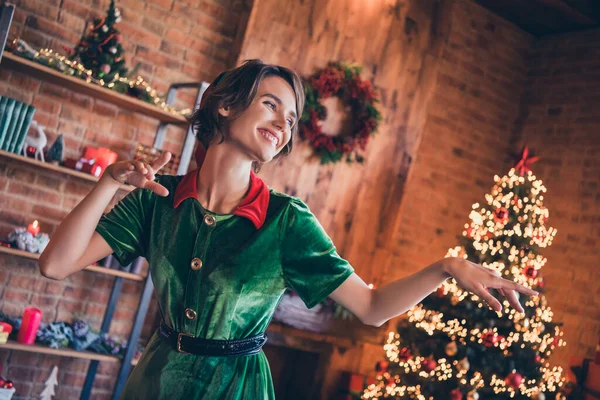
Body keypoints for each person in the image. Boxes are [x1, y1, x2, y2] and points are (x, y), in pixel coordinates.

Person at [39, 60, 538, 399]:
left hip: (237, 388)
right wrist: (108, 184)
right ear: (226, 106)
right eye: (271, 105)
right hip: (156, 381)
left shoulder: (287, 221)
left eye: (292, 118)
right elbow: (55, 265)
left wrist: (447, 267)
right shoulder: (159, 200)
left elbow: (371, 308)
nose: (283, 124)